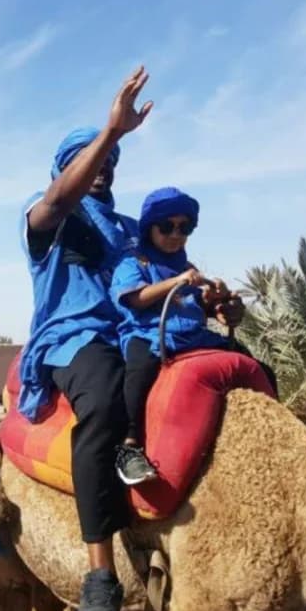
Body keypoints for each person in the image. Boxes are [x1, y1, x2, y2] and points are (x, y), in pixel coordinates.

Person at [18, 66, 153, 611]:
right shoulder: (47, 215)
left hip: (133, 331)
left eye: (110, 164)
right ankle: (101, 573)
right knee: (102, 402)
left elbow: (158, 274)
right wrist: (112, 133)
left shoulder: (128, 228)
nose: (103, 171)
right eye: (92, 162)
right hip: (74, 336)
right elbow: (59, 197)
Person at [109, 186, 266, 485]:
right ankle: (129, 445)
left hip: (195, 338)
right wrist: (176, 281)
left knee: (255, 366)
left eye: (185, 228)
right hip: (149, 336)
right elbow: (136, 299)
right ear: (150, 227)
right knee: (139, 372)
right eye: (167, 226)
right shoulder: (132, 263)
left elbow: (200, 304)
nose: (176, 234)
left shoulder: (186, 267)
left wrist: (219, 302)